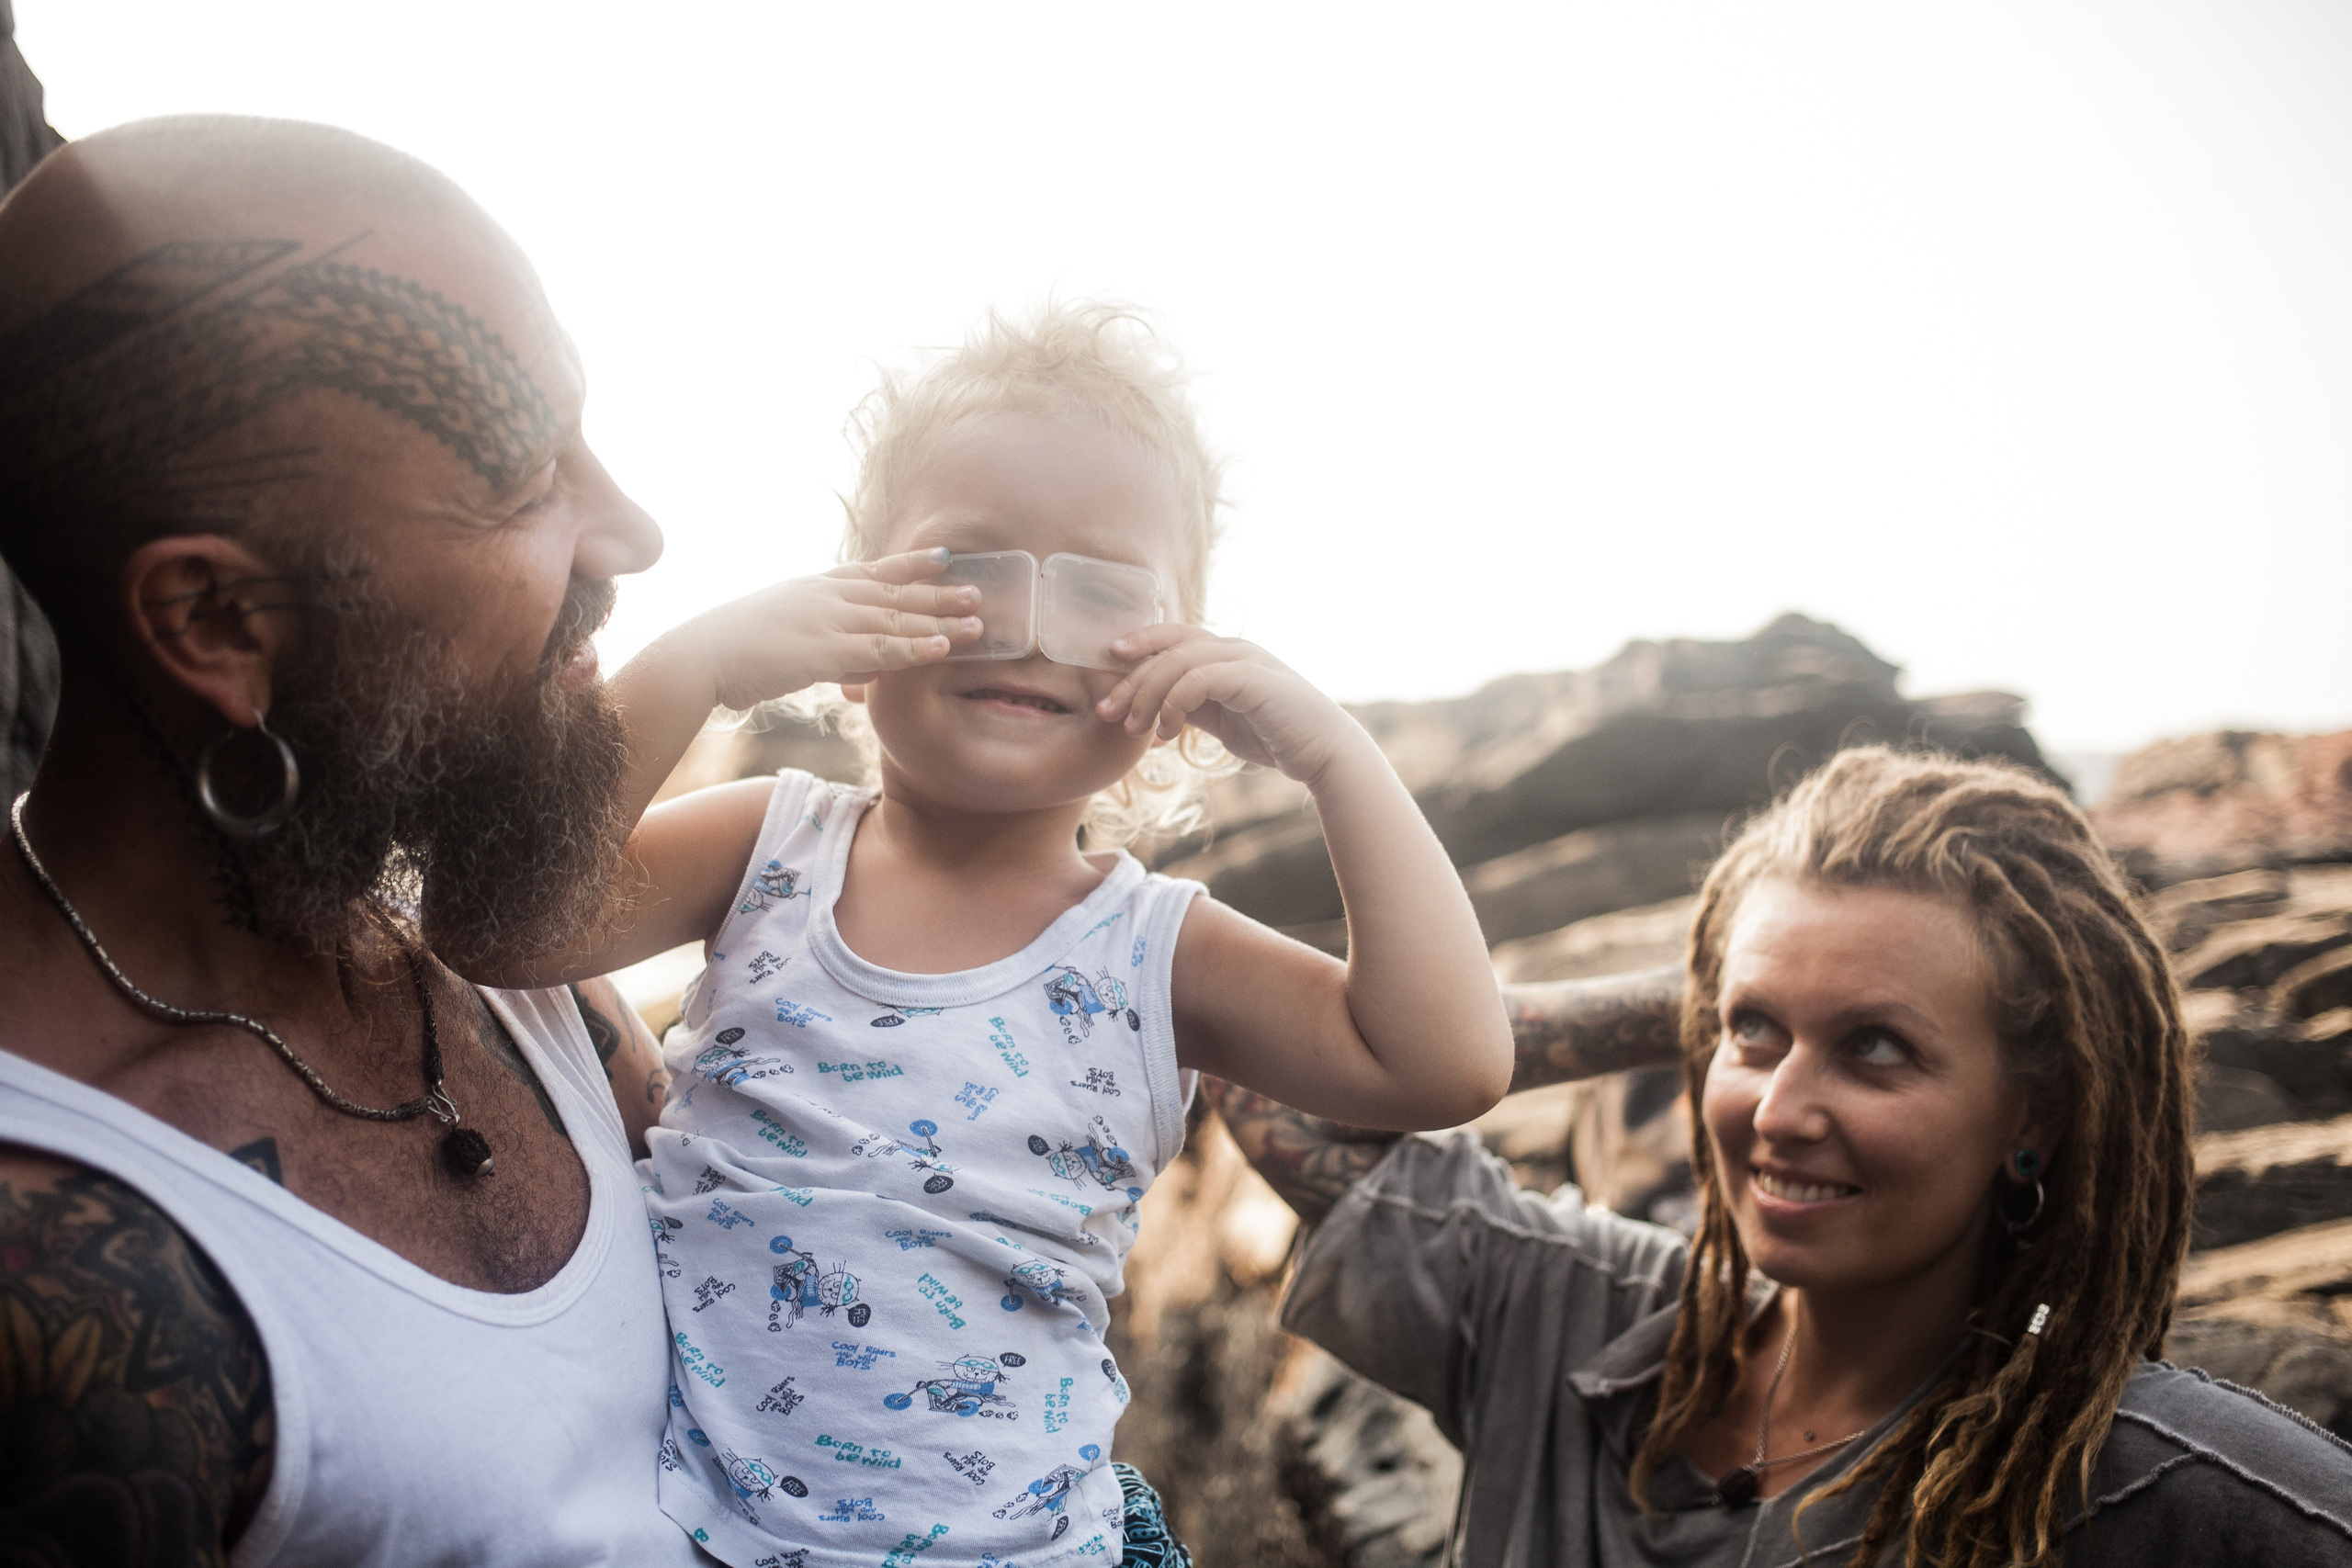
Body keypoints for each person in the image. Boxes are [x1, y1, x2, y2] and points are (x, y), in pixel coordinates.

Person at [469, 303, 1518, 1566]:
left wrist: (1337, 758)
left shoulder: (1154, 949)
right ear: (851, 627)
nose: (1025, 623)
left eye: (1102, 590)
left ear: (1184, 674)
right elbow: (506, 922)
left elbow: (1444, 1062)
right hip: (693, 1535)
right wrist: (703, 660)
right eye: (966, 568)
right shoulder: (769, 847)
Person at [0, 117, 702, 1564]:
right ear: (216, 620)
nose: (634, 531)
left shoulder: (519, 966)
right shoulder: (51, 1250)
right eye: (526, 481)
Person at [1214, 745, 2352, 1566]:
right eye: (1753, 1034)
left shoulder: (2153, 1483)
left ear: (2036, 1115)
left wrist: (1769, 993)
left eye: (1875, 1047)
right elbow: (1259, 1067)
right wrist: (1710, 995)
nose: (1778, 1111)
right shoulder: (1570, 1318)